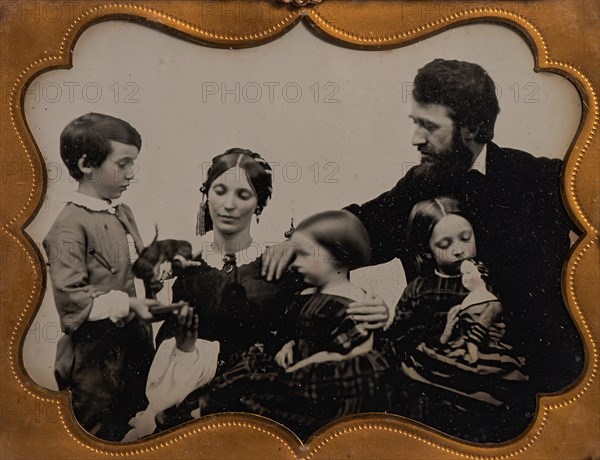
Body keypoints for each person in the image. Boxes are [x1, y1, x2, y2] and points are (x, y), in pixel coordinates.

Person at [263, 58, 583, 395]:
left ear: (471, 128)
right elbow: (365, 225)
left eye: (428, 126)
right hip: (428, 366)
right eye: (415, 123)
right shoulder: (420, 183)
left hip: (530, 374)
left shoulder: (544, 179)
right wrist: (303, 240)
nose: (416, 138)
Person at [122, 150, 388, 441]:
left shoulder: (281, 264)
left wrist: (373, 306)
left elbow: (330, 299)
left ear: (259, 204)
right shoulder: (186, 263)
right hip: (186, 395)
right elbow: (167, 341)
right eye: (220, 191)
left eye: (243, 195)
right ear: (206, 195)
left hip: (254, 409)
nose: (228, 205)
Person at [183, 210, 392, 440]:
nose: (296, 263)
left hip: (324, 384)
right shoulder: (308, 295)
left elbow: (352, 351)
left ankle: (210, 415)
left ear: (337, 255)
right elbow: (303, 334)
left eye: (303, 254)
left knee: (254, 391)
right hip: (298, 370)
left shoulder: (353, 301)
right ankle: (199, 410)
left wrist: (302, 366)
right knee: (248, 368)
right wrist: (290, 345)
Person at [43, 113, 160, 441]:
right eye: (123, 164)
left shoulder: (122, 212)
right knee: (99, 435)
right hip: (96, 362)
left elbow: (133, 264)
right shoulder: (68, 225)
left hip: (135, 347)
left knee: (137, 427)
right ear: (85, 164)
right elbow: (71, 298)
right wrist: (128, 303)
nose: (130, 174)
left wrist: (157, 266)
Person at [386, 197, 530, 442]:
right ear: (426, 250)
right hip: (435, 372)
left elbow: (508, 322)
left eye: (466, 238)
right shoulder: (419, 288)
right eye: (445, 243)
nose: (459, 249)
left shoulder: (488, 280)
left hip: (485, 369)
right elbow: (400, 332)